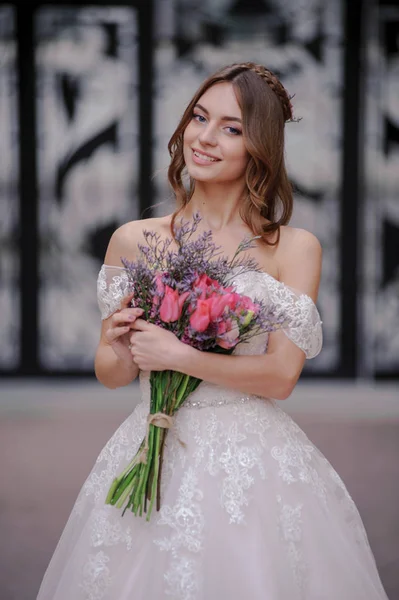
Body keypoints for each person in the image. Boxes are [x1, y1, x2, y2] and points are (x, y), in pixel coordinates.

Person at [36, 62, 389, 599]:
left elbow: (280, 377)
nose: (204, 137)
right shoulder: (135, 239)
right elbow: (110, 375)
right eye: (200, 117)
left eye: (231, 127)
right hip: (148, 440)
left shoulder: (293, 249)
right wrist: (118, 343)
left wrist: (178, 355)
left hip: (252, 465)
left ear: (260, 146)